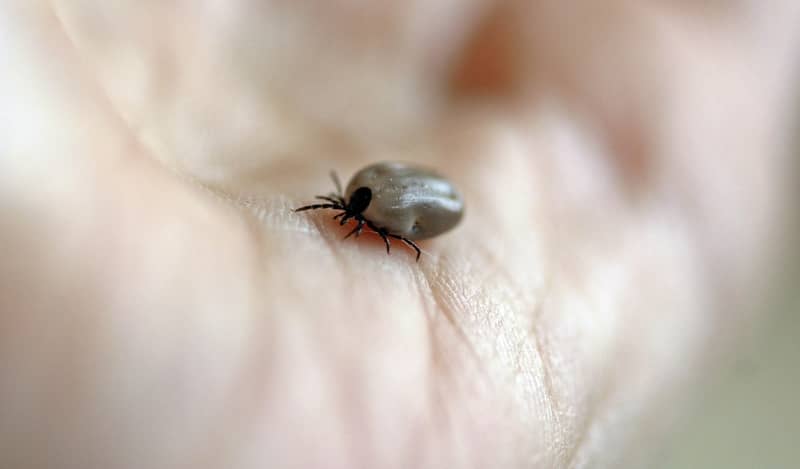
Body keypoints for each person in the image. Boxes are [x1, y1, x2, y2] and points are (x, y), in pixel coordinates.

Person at [0, 2, 797, 467]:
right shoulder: (368, 203)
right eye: (350, 217)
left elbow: (399, 210)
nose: (346, 225)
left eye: (351, 219)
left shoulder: (372, 201)